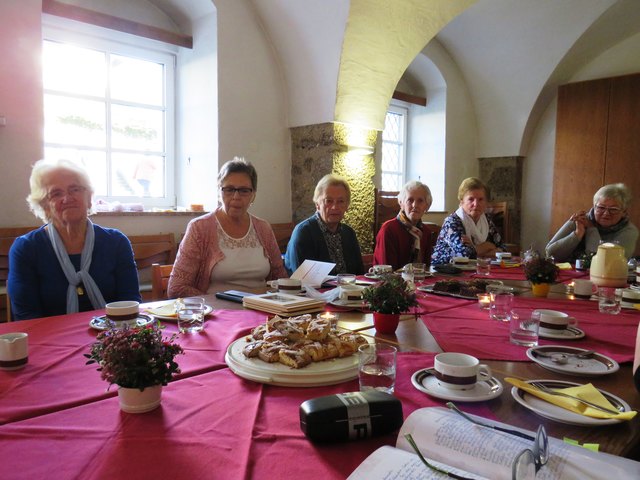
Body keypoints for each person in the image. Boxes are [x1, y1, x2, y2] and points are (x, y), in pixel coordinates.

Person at [8, 159, 141, 320]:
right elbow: (27, 318)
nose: (67, 198)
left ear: (89, 198)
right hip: (53, 341)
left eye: (75, 189)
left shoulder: (117, 242)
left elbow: (130, 305)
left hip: (112, 338)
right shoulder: (26, 248)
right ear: (44, 206)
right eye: (56, 193)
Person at [168, 157, 287, 297]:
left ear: (253, 195)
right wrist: (216, 305)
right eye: (229, 189)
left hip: (262, 310)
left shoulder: (263, 228)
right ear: (219, 192)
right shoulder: (199, 228)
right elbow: (177, 288)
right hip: (218, 313)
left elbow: (280, 278)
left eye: (244, 191)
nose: (236, 196)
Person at [285, 174, 364, 275]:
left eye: (341, 201)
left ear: (347, 205)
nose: (335, 207)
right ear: (317, 204)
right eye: (329, 201)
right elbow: (303, 280)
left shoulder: (349, 233)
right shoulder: (304, 232)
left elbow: (359, 274)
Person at [546, 183, 638, 262]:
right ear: (594, 207)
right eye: (601, 208)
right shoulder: (580, 220)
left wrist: (591, 229)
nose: (606, 213)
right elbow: (550, 253)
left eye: (613, 209)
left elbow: (602, 262)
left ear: (624, 212)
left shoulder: (629, 231)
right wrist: (577, 235)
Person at [431, 177, 505, 265]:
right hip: (446, 271)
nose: (476, 204)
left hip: (475, 269)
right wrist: (489, 246)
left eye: (481, 199)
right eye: (471, 199)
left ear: (486, 202)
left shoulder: (486, 220)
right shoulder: (452, 222)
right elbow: (464, 254)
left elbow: (502, 249)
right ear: (461, 202)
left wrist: (474, 248)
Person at [373, 180, 434, 270]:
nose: (414, 205)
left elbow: (426, 269)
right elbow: (386, 272)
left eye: (420, 201)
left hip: (419, 282)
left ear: (427, 206)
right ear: (401, 204)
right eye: (410, 200)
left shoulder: (426, 232)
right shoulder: (388, 230)